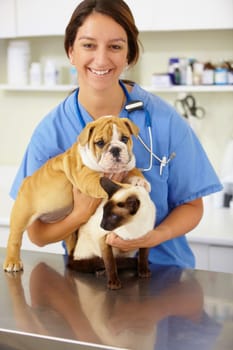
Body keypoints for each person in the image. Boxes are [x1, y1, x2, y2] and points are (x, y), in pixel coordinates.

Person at [10, 0, 222, 268]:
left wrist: (154, 236)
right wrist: (80, 213)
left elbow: (193, 207)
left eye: (115, 46)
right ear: (70, 52)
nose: (101, 59)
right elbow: (37, 234)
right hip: (92, 280)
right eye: (88, 45)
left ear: (129, 55)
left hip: (164, 278)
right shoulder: (51, 132)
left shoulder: (163, 119)